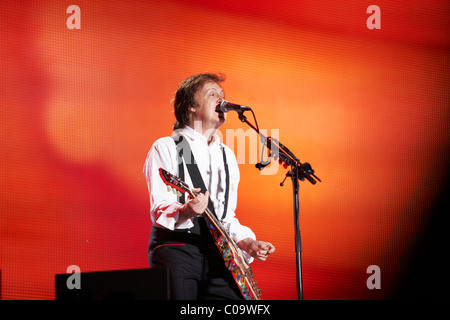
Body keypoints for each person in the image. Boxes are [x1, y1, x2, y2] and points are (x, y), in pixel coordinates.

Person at [143, 73, 275, 300]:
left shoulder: (227, 156)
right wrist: (186, 211)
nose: (221, 100)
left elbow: (224, 218)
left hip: (218, 253)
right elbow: (160, 207)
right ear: (191, 107)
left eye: (223, 96)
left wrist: (248, 243)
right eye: (212, 94)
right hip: (179, 247)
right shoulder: (167, 146)